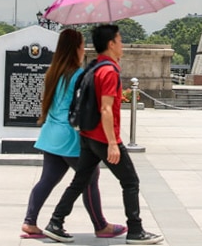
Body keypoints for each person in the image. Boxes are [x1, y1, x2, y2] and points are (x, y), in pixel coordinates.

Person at [43, 24, 163, 245]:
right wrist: (113, 144)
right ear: (111, 44)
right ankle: (135, 231)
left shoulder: (95, 67)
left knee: (80, 181)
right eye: (119, 40)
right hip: (102, 137)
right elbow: (106, 109)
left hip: (87, 136)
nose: (122, 44)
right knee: (131, 182)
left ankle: (56, 222)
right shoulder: (109, 71)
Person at [20, 29, 126, 240]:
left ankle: (30, 222)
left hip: (51, 133)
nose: (84, 48)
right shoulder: (79, 75)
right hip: (70, 137)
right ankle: (100, 225)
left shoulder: (53, 72)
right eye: (82, 45)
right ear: (76, 49)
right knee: (90, 176)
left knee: (47, 179)